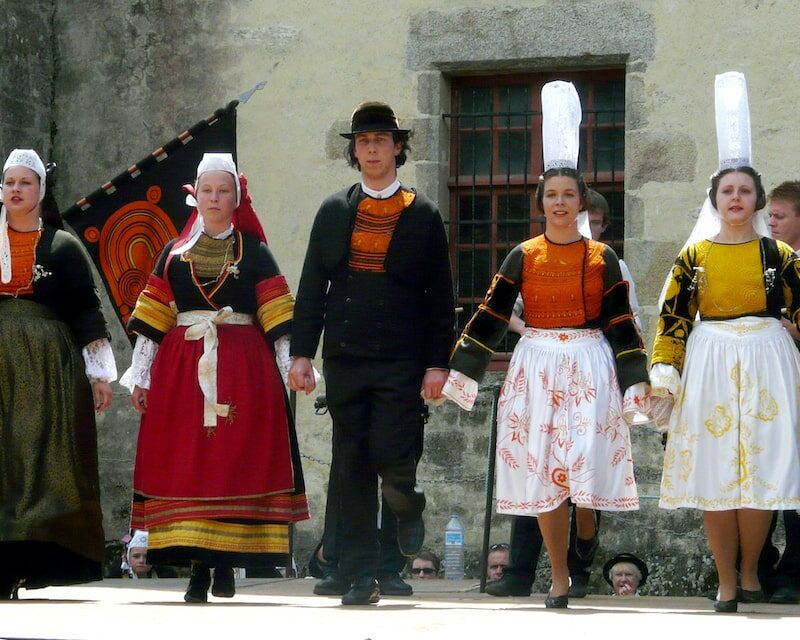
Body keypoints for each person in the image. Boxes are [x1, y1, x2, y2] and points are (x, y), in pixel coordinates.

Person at [444, 81, 648, 610]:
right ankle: (559, 577)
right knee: (545, 475)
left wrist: (637, 383)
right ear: (541, 203)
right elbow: (489, 315)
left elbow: (622, 322)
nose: (560, 203)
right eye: (551, 195)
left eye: (569, 195)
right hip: (535, 362)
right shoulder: (522, 255)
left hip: (588, 361)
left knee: (581, 466)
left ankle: (587, 522)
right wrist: (459, 375)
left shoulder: (602, 258)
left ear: (582, 202)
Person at [121, 153, 309, 603]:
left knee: (231, 465)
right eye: (207, 190)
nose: (215, 198)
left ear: (236, 196)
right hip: (182, 372)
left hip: (244, 369)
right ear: (195, 195)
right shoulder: (172, 254)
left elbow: (277, 316)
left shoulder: (255, 252)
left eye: (223, 191)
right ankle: (198, 570)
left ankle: (225, 565)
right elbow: (152, 320)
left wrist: (293, 368)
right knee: (190, 467)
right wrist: (140, 377)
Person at [289, 101, 456, 605]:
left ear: (398, 147)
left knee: (390, 454)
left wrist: (436, 364)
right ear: (354, 151)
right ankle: (360, 575)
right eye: (363, 142)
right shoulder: (333, 211)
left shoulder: (423, 214)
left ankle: (408, 502)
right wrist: (301, 354)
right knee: (352, 465)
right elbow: (313, 285)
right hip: (345, 357)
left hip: (402, 360)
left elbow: (440, 299)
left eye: (381, 140)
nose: (372, 149)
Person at [651, 72, 800, 613]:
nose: (736, 197)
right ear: (714, 198)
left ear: (757, 198)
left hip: (768, 364)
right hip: (711, 362)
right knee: (717, 472)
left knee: (761, 472)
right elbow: (673, 321)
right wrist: (665, 376)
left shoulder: (780, 258)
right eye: (726, 191)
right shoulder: (693, 259)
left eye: (744, 190)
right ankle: (726, 580)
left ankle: (751, 567)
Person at [0, 149, 116, 599]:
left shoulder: (62, 246)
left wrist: (99, 373)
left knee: (43, 462)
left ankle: (32, 560)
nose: (15, 190)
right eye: (9, 182)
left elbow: (86, 310)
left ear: (40, 191)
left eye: (25, 182)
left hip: (48, 366)